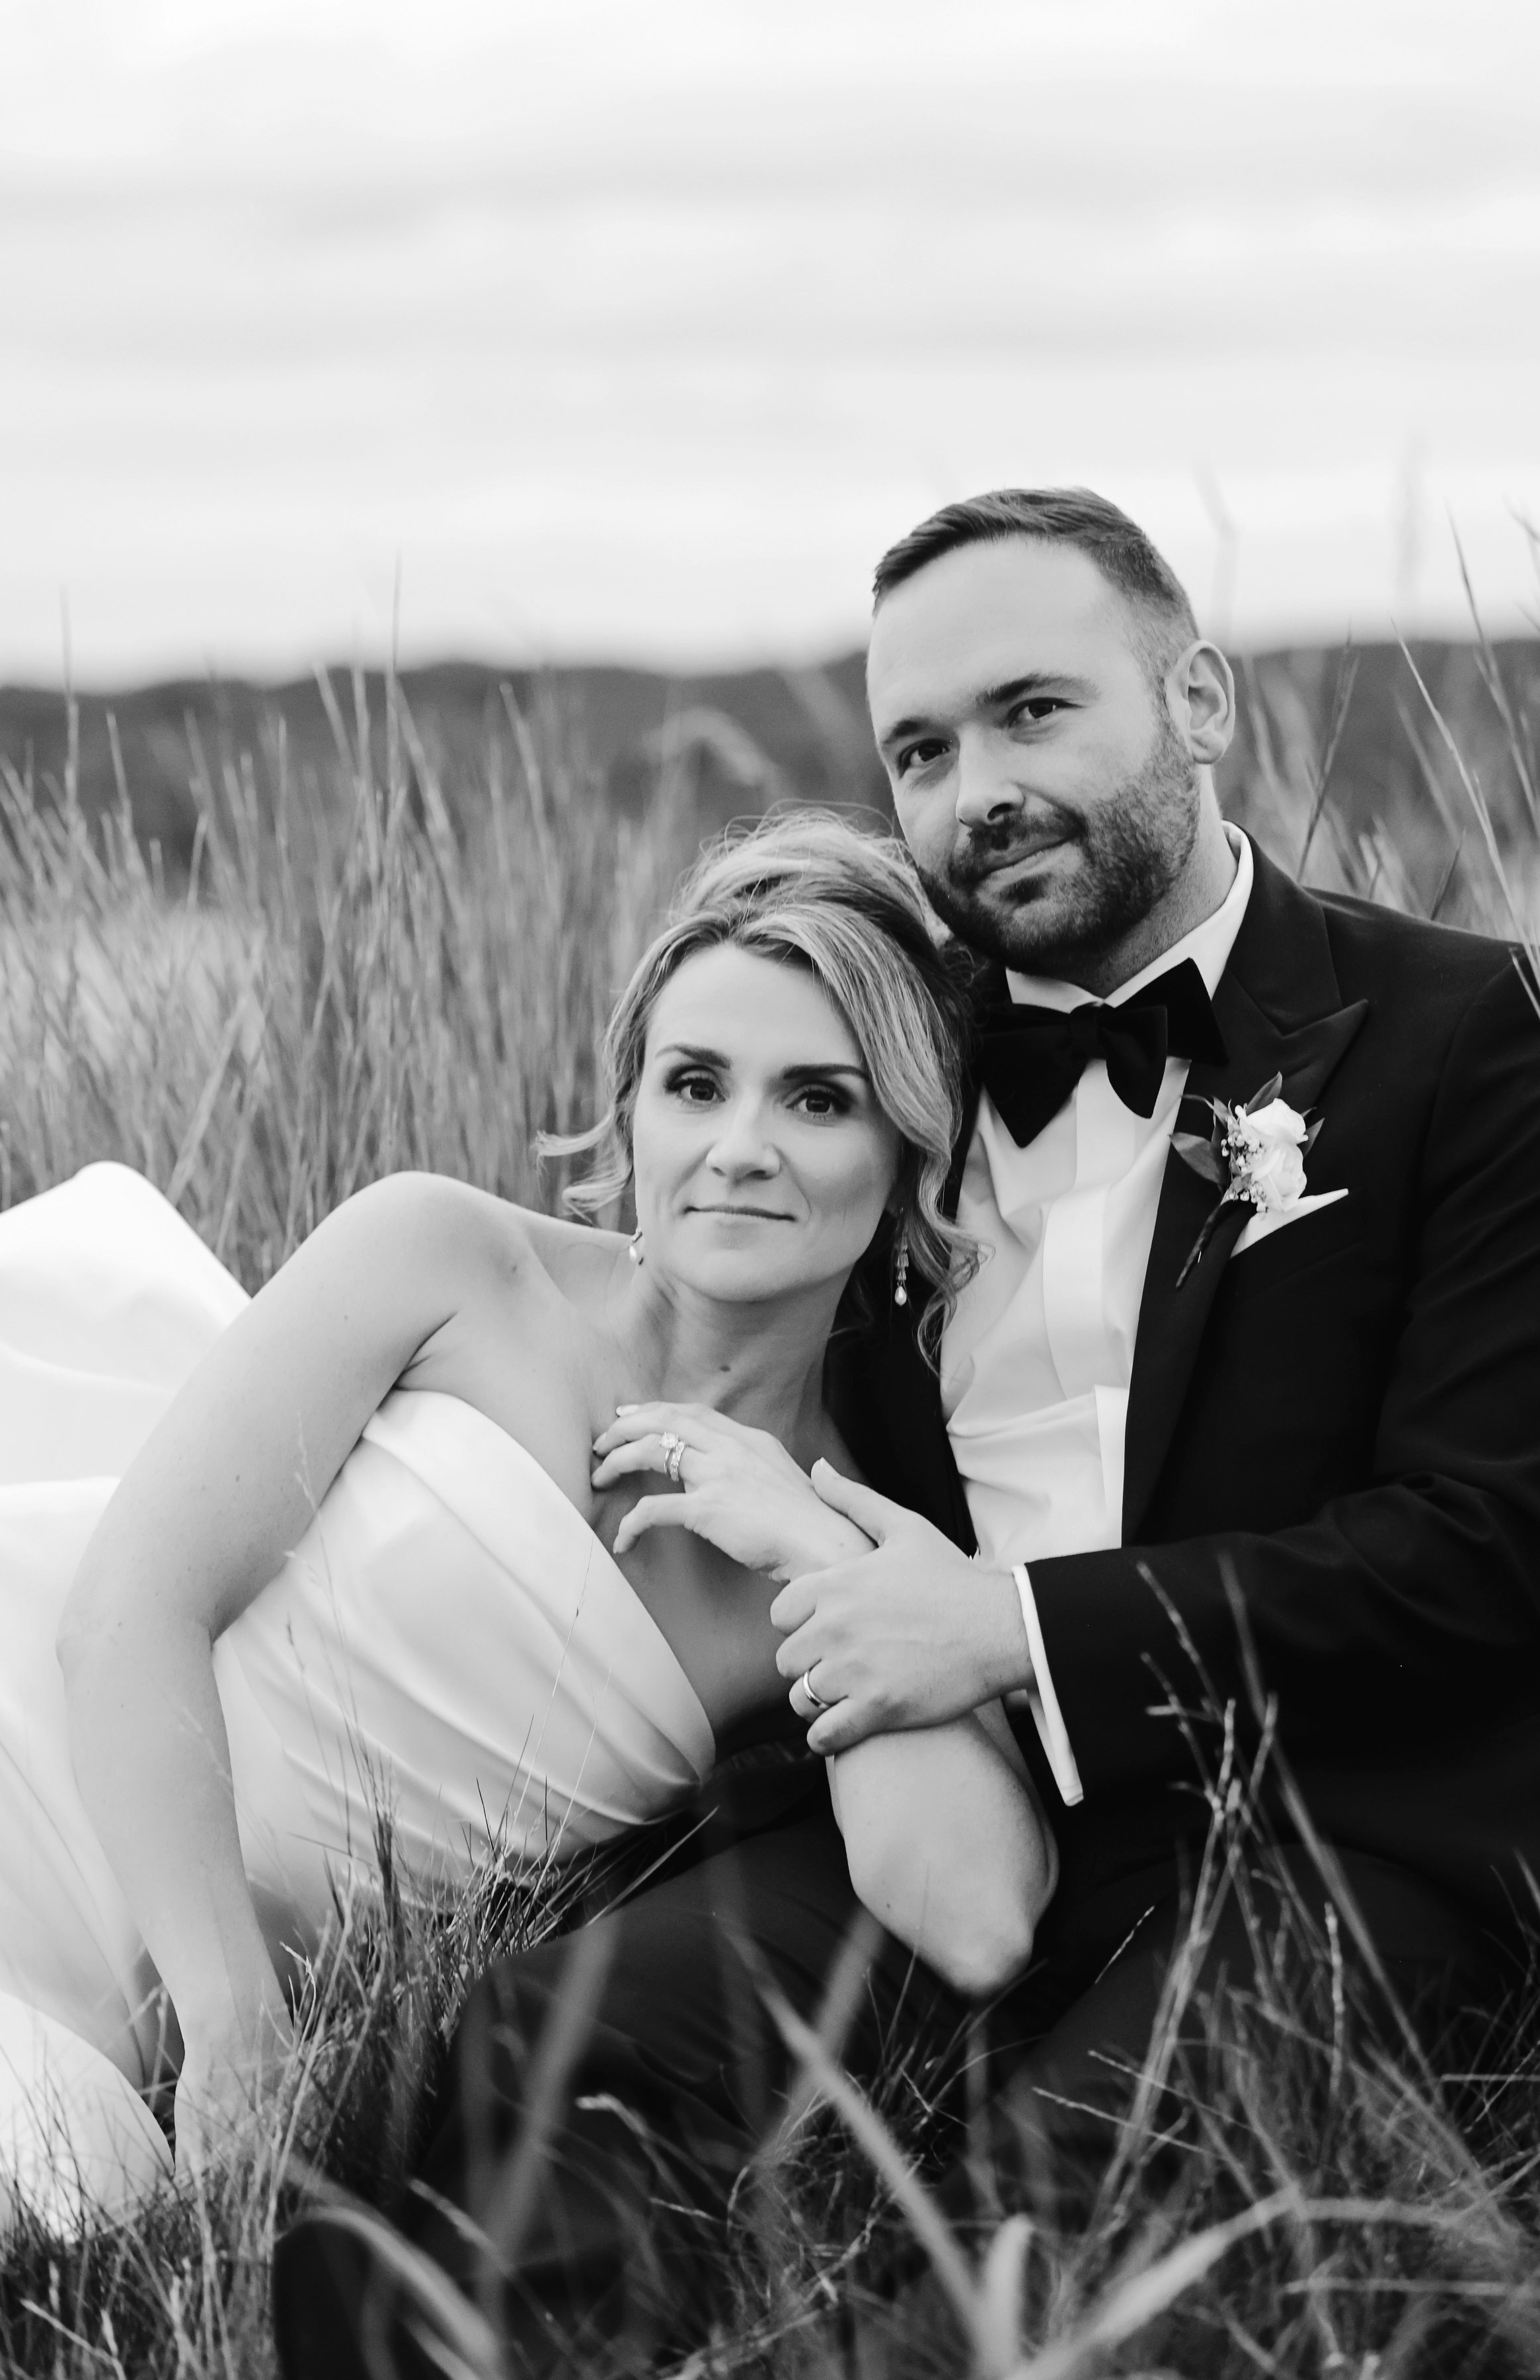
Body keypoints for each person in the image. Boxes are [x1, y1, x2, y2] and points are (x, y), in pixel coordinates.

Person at [274, 486, 1540, 2376]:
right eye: (922, 752)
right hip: (936, 1789)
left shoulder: (1459, 1032)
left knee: (1029, 2250)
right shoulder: (876, 1062)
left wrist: (1013, 1634)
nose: (980, 793)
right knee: (558, 2049)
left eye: (1037, 713)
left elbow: (1485, 1540)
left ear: (1196, 699)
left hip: (1330, 1832)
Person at [0, 817, 1057, 2231]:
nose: (739, 1148)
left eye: (818, 1101)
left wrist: (815, 1550)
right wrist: (234, 2020)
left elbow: (975, 1921)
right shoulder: (452, 1264)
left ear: (910, 1151)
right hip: (41, 1756)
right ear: (632, 1110)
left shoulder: (847, 1527)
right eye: (695, 1084)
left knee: (47, 2184)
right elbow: (128, 1613)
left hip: (147, 1973)